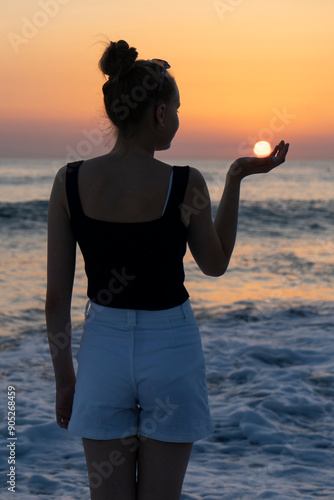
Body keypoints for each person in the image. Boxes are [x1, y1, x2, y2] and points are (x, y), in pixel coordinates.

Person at [45, 39, 289, 500]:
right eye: (176, 109)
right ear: (159, 114)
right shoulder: (185, 182)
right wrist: (235, 177)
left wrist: (65, 380)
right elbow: (215, 264)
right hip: (172, 349)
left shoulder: (69, 181)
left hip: (103, 351)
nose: (178, 118)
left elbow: (56, 299)